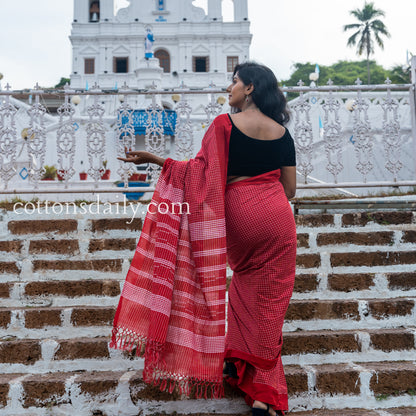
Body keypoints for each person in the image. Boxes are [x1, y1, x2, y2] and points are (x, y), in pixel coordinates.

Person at [111, 62, 297, 416]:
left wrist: (157, 160)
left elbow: (200, 173)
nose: (229, 88)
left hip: (240, 214)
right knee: (271, 300)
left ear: (251, 88)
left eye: (234, 82)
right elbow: (289, 189)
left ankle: (245, 371)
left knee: (243, 293)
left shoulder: (224, 125)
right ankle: (263, 391)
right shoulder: (282, 133)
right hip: (277, 216)